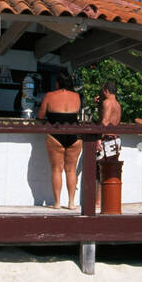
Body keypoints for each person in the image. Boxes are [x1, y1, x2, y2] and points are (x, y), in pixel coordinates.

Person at [38, 72, 82, 210]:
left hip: (55, 134)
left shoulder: (50, 96)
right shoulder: (76, 96)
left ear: (57, 83)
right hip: (74, 134)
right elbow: (77, 113)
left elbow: (40, 116)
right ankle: (71, 203)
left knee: (57, 170)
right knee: (71, 170)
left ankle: (57, 203)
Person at [95, 80, 122, 210]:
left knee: (101, 170)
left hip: (106, 138)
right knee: (112, 171)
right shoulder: (118, 105)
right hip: (116, 138)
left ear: (106, 91)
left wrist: (98, 138)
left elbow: (105, 121)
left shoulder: (107, 102)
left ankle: (99, 201)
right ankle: (109, 199)